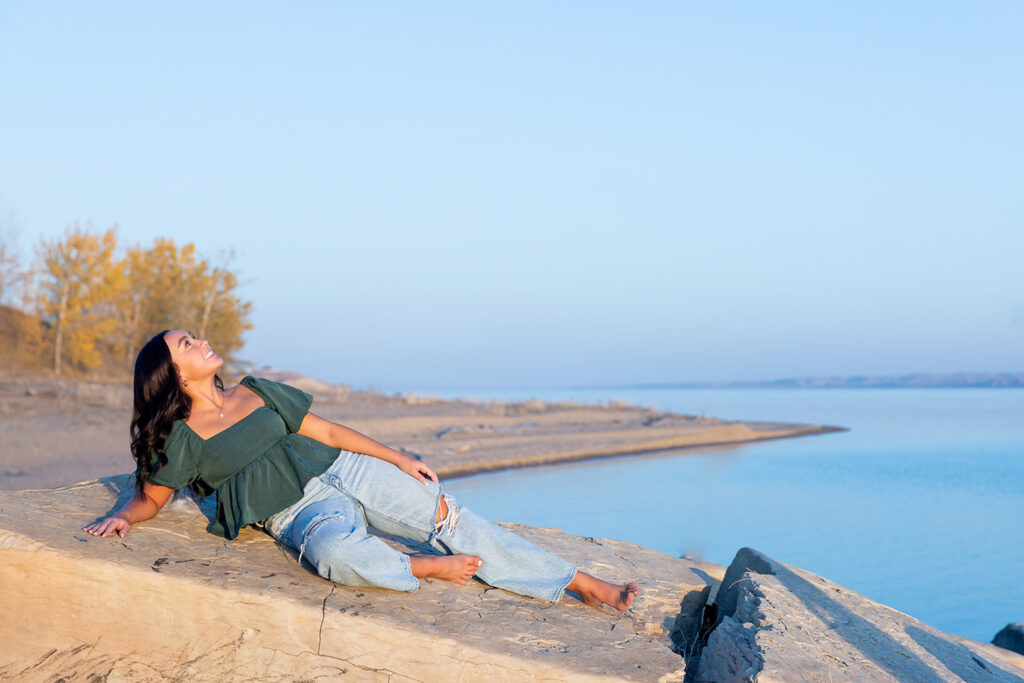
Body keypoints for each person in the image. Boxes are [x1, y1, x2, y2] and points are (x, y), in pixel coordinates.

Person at [85, 330, 638, 609]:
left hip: (347, 470)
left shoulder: (257, 390)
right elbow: (153, 498)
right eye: (188, 343)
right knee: (332, 556)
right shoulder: (180, 440)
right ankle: (422, 569)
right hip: (298, 510)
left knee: (450, 517)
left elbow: (326, 432)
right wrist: (124, 517)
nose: (202, 341)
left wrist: (398, 457)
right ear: (175, 372)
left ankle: (583, 584)